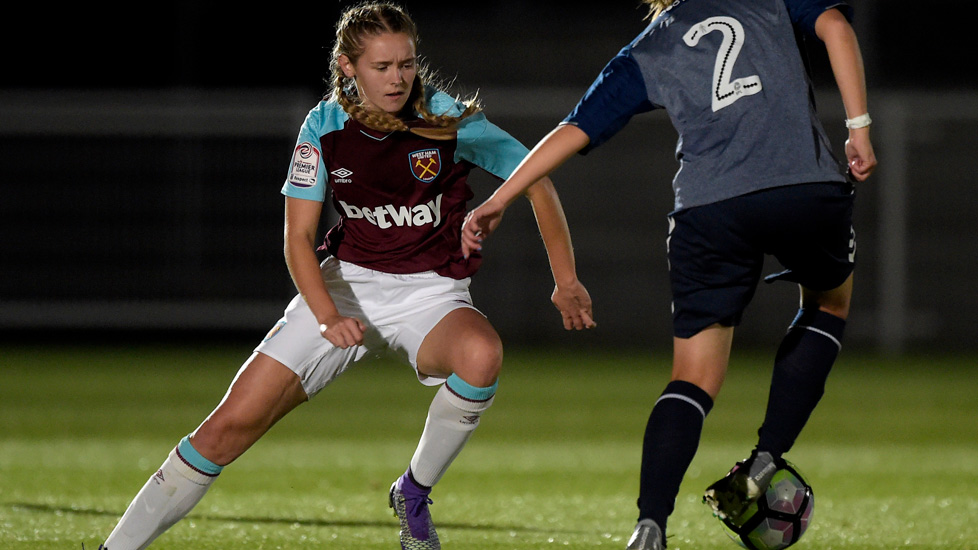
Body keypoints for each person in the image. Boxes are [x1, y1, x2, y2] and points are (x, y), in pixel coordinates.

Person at [95, 3, 594, 549]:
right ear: (347, 67)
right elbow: (297, 240)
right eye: (382, 66)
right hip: (342, 289)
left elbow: (538, 178)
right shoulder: (323, 126)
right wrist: (329, 315)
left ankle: (413, 491)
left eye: (406, 63)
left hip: (430, 293)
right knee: (225, 431)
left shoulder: (444, 118)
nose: (398, 77)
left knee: (481, 357)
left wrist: (565, 279)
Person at [461, 0, 876, 548]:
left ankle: (649, 525)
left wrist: (501, 198)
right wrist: (859, 128)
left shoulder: (650, 45)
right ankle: (766, 458)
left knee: (693, 378)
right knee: (829, 303)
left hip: (710, 212)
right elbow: (836, 27)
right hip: (803, 188)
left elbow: (575, 128)